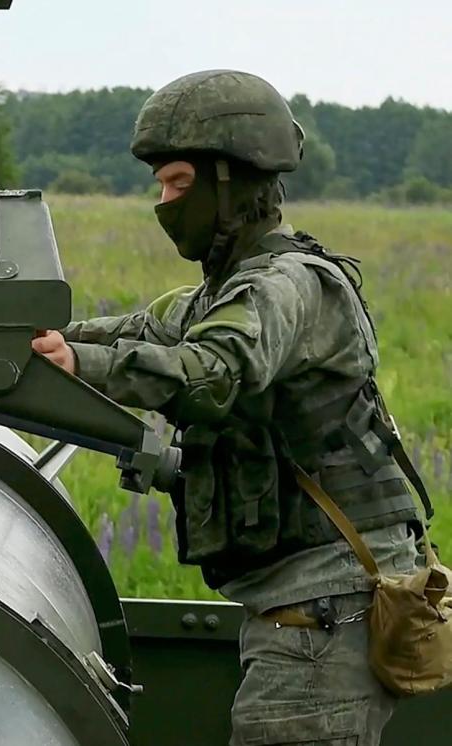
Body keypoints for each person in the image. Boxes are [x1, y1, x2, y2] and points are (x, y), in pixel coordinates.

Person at [32, 69, 431, 745]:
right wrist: (46, 339)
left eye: (178, 184)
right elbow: (144, 330)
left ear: (232, 181)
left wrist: (79, 365)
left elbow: (212, 374)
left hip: (324, 617)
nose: (162, 202)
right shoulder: (231, 290)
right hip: (304, 612)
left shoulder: (287, 288)